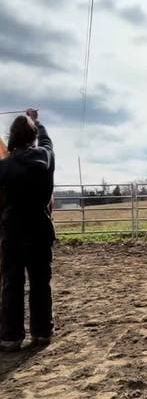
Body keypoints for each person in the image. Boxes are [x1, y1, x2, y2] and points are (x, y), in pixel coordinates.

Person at [0, 109, 55, 351]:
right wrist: (38, 121)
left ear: (11, 138)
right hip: (40, 228)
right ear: (33, 137)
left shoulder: (3, 167)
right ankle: (42, 333)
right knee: (40, 281)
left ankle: (11, 337)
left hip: (12, 231)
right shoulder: (45, 156)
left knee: (12, 283)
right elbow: (46, 141)